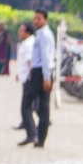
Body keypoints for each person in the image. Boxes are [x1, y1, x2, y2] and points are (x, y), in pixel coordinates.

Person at [19, 9, 55, 148]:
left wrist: (46, 77)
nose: (36, 21)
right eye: (35, 18)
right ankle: (40, 139)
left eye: (39, 18)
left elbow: (46, 58)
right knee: (43, 107)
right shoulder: (43, 34)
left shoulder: (44, 35)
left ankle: (32, 133)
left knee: (26, 104)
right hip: (43, 72)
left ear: (45, 20)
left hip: (40, 72)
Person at [12, 22, 36, 131]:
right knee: (28, 102)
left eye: (21, 30)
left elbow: (30, 61)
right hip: (25, 75)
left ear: (28, 32)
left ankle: (30, 128)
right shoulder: (27, 42)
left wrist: (32, 76)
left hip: (28, 77)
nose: (19, 33)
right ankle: (25, 122)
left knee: (26, 104)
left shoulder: (28, 44)